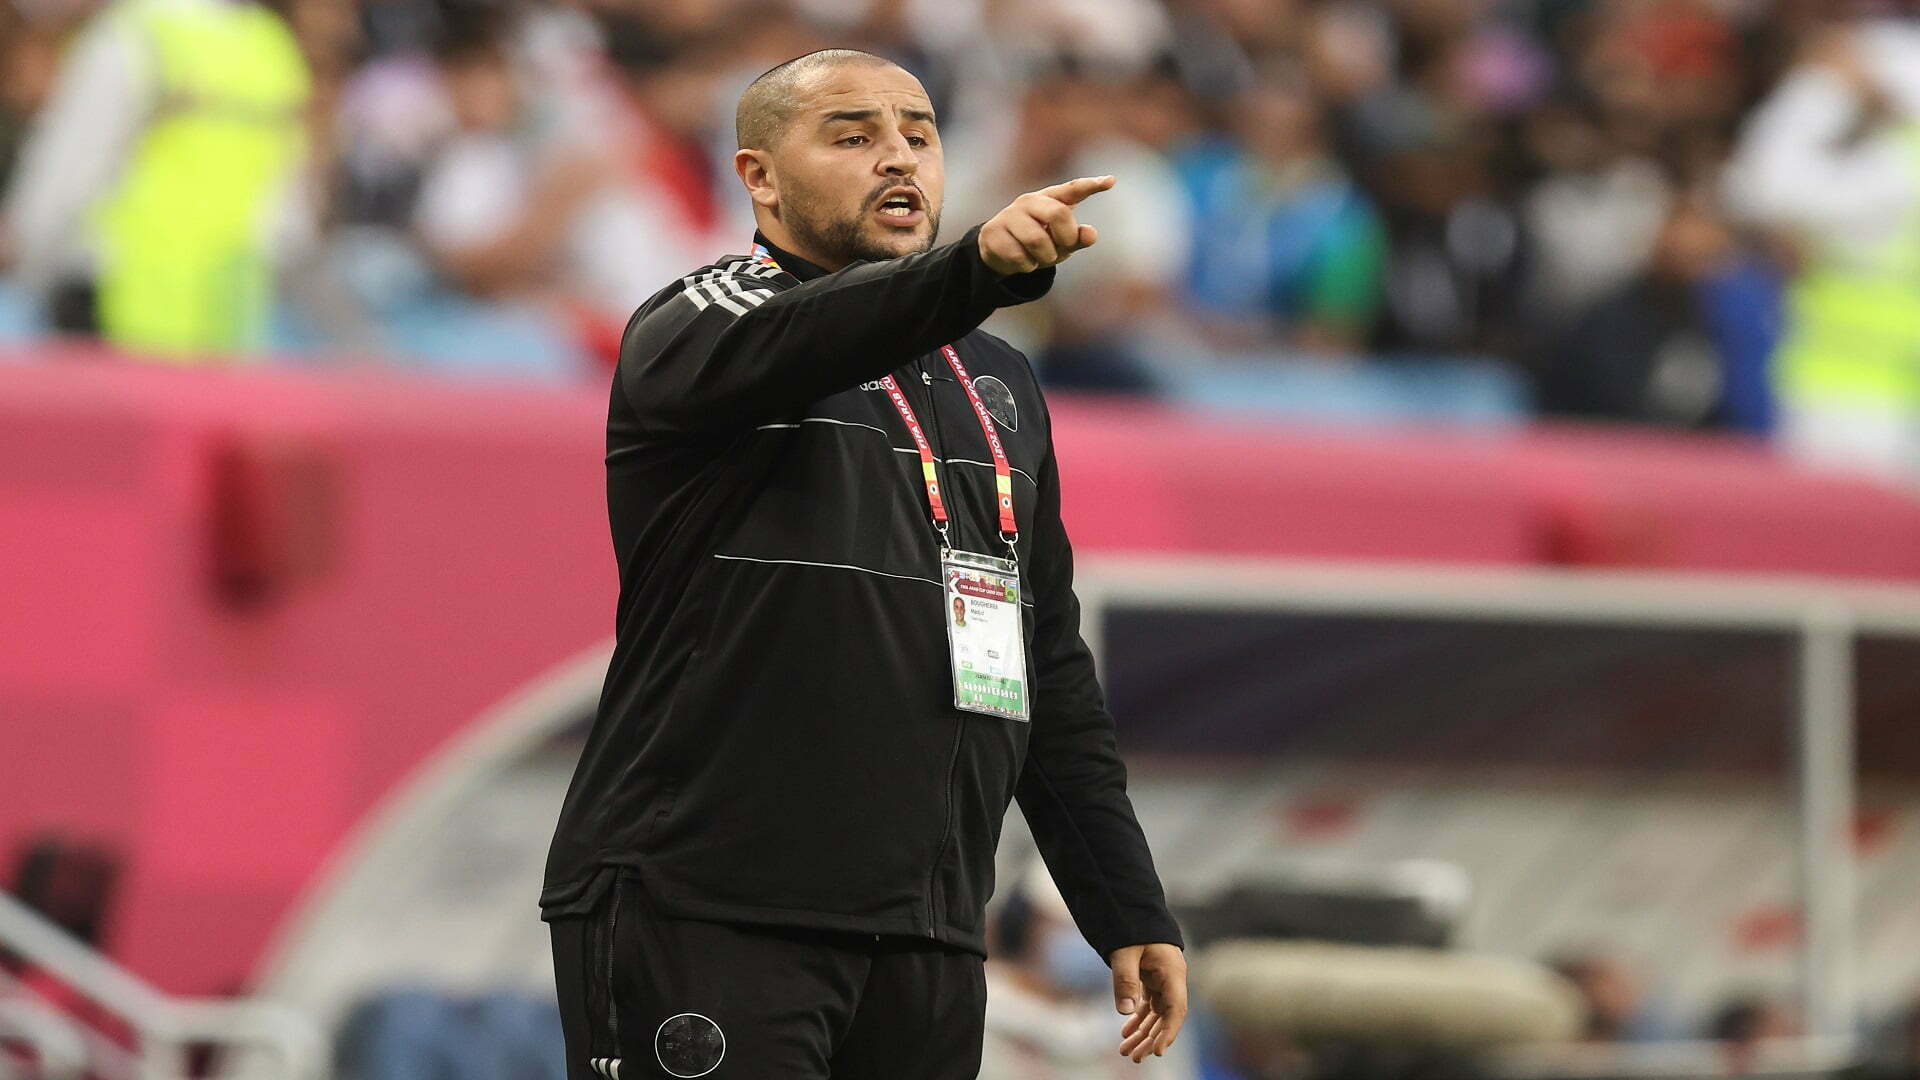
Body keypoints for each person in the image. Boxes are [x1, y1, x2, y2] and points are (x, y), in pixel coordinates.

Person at [540, 48, 1188, 1080]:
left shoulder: (998, 380)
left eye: (919, 136)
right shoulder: (698, 321)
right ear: (759, 176)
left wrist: (1121, 901)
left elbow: (1043, 663)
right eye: (852, 136)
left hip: (926, 931)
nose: (898, 158)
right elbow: (825, 328)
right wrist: (974, 269)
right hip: (706, 907)